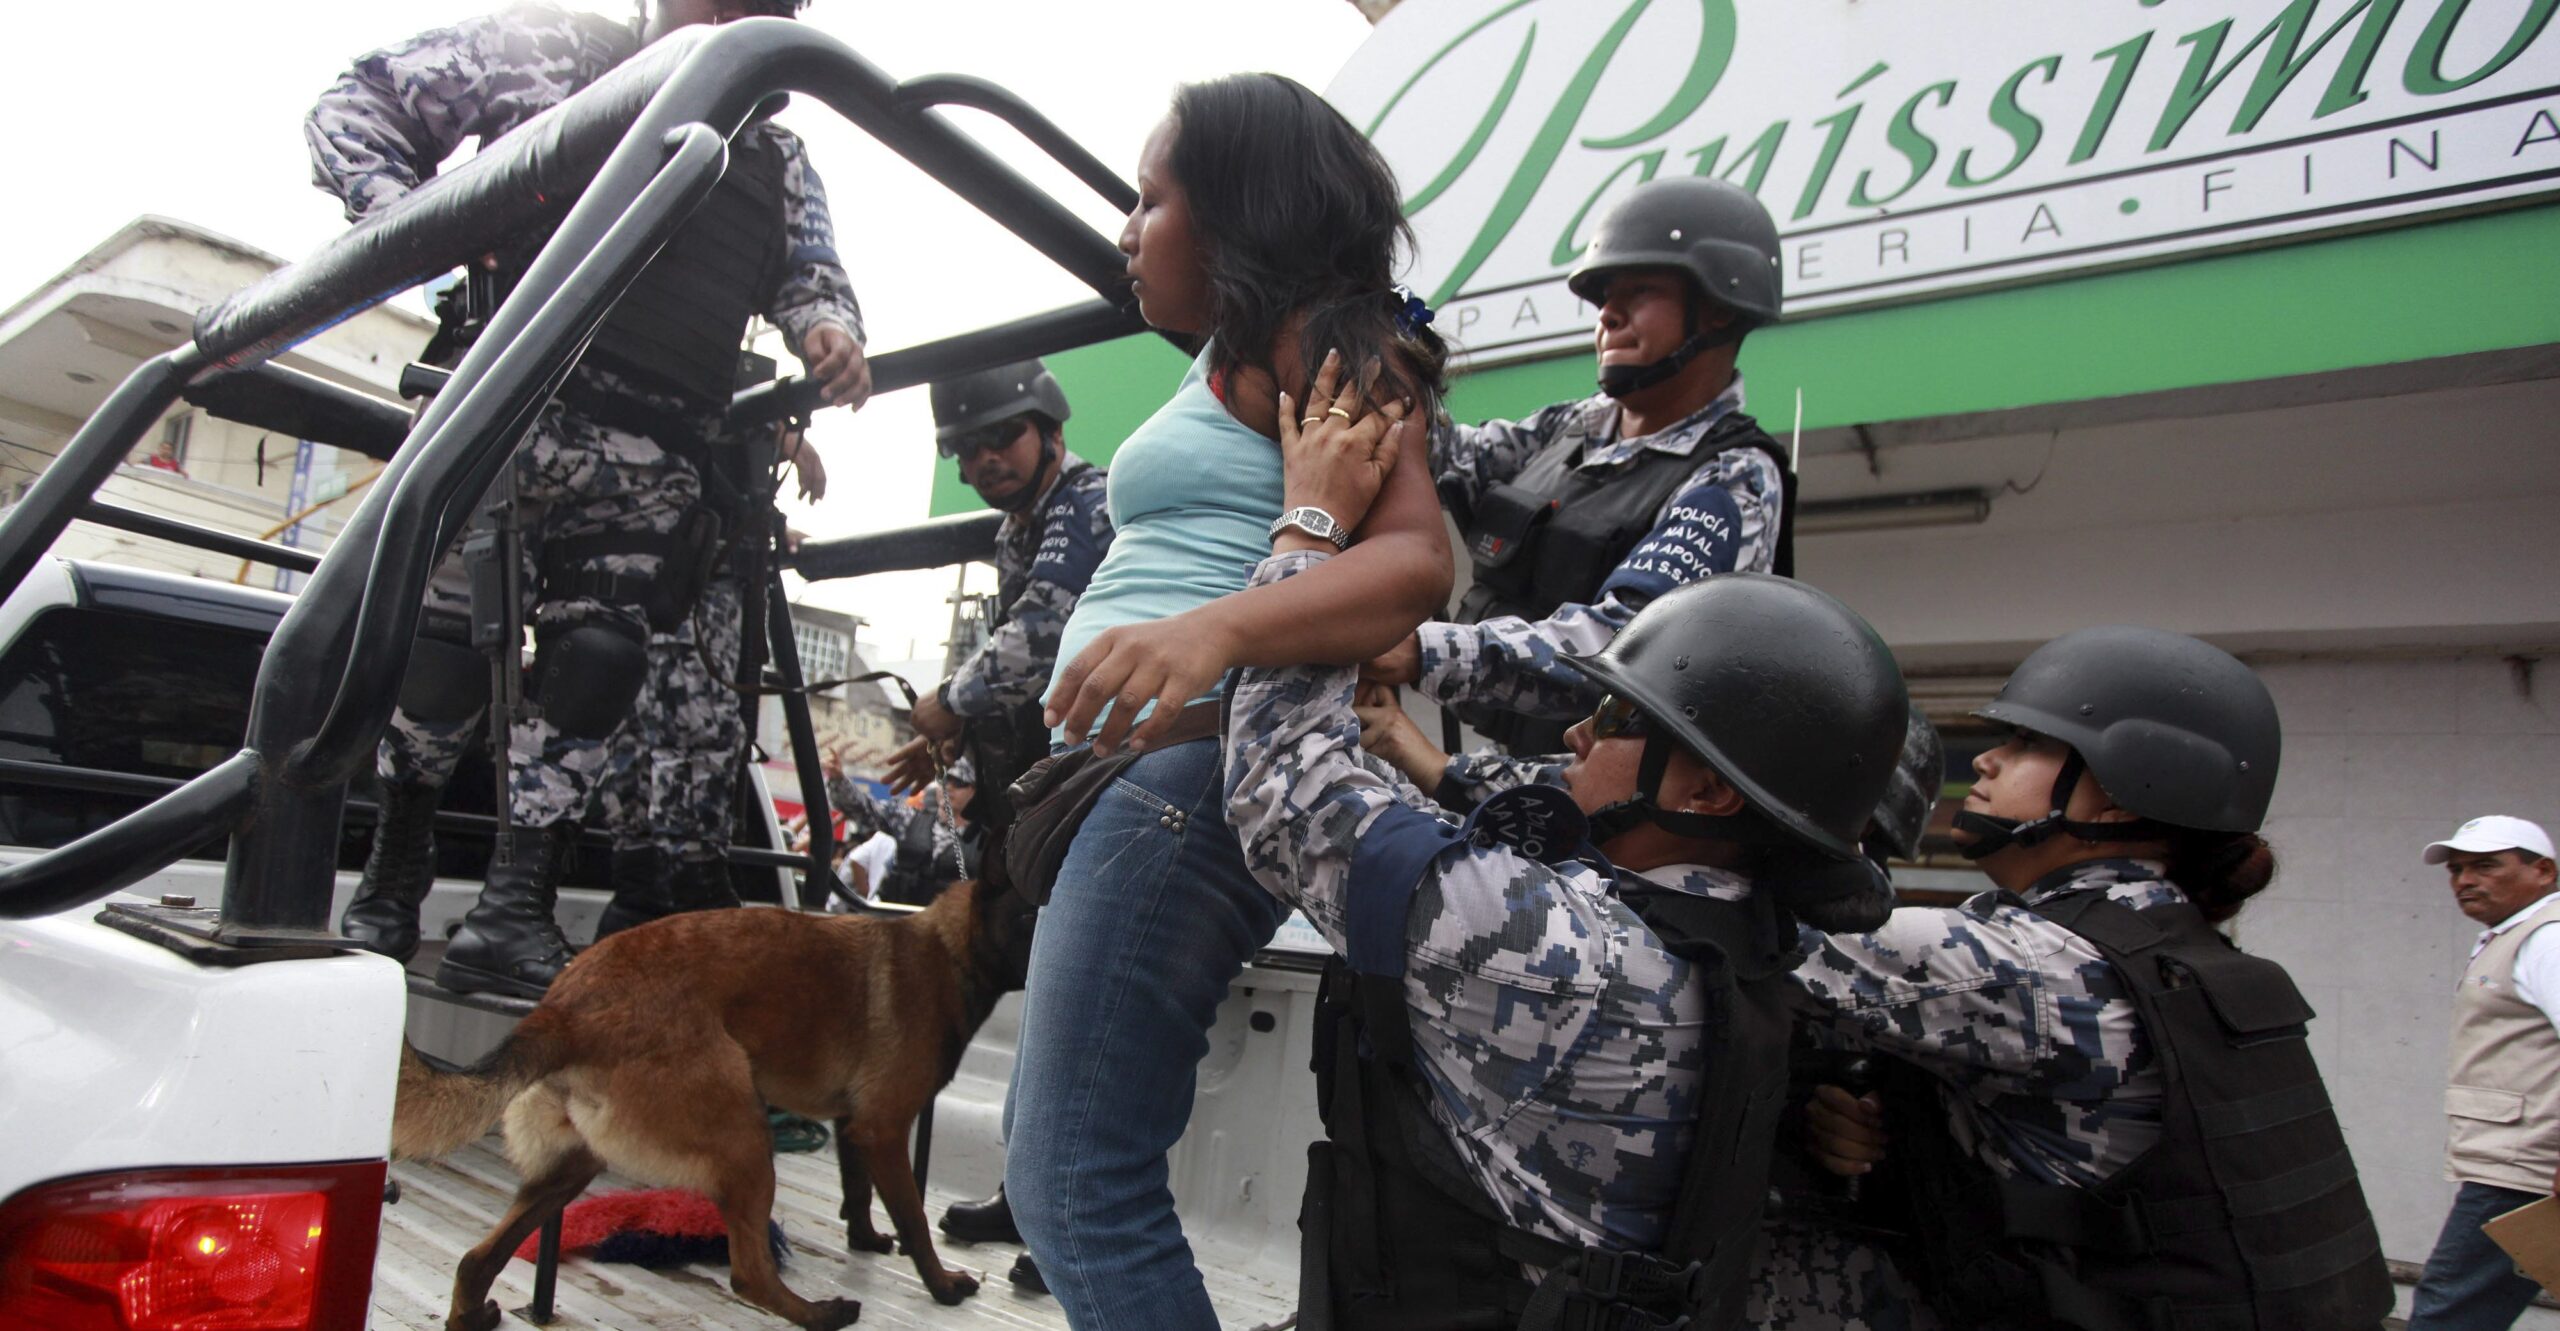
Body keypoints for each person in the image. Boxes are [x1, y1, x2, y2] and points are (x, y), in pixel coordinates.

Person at [1225, 371, 1911, 1326]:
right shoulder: (1757, 945)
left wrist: (1312, 526)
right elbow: (1522, 799)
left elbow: (1281, 783)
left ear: (1708, 789)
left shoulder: (1555, 946)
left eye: (1621, 711)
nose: (1579, 732)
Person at [1002, 74, 1457, 1328]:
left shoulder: (1322, 337)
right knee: (1069, 1177)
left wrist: (1209, 630)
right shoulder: (1239, 347)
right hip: (1132, 786)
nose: (1127, 229)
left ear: (1241, 210)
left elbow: (1417, 562)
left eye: (1151, 200)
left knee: (1073, 1185)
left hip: (1182, 788)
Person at [312, 0, 869, 998]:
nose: (744, 17)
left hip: (649, 452)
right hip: (498, 408)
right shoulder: (560, 52)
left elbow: (813, 268)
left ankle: (509, 911)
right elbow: (361, 104)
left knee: (596, 667)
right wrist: (410, 221)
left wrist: (827, 330)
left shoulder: (776, 157)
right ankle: (390, 882)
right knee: (436, 663)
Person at [1779, 627, 2394, 1330]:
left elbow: (1735, 922)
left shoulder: (2042, 968)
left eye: (2027, 745)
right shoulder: (2172, 949)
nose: (1984, 759)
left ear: (2122, 797)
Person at [1361, 177, 1795, 757]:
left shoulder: (1732, 476)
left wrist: (1417, 650)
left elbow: (1632, 648)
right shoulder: (1571, 429)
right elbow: (1432, 452)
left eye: (1637, 292)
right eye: (1602, 300)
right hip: (1490, 772)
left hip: (1606, 819)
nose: (1607, 317)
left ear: (1715, 311)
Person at [2407, 815, 2560, 1331]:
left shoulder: (2547, 939)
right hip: (2522, 1164)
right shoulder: (2517, 935)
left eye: (2486, 866)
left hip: (2523, 1170)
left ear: (2543, 871)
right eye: (2457, 869)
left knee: (2450, 1309)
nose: (2465, 880)